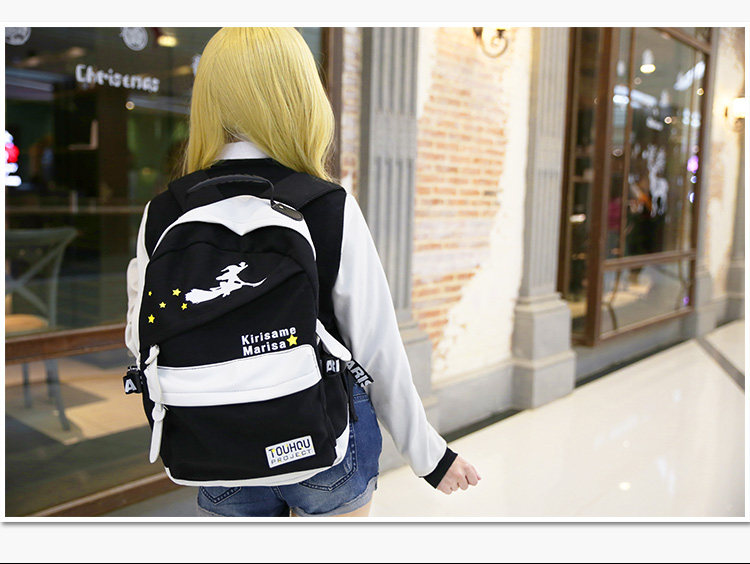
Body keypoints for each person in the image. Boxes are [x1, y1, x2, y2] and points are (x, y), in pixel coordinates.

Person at [126, 27, 480, 518]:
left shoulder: (165, 212)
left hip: (211, 440)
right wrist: (430, 456)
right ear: (299, 97)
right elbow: (376, 346)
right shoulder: (325, 205)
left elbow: (140, 336)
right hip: (320, 438)